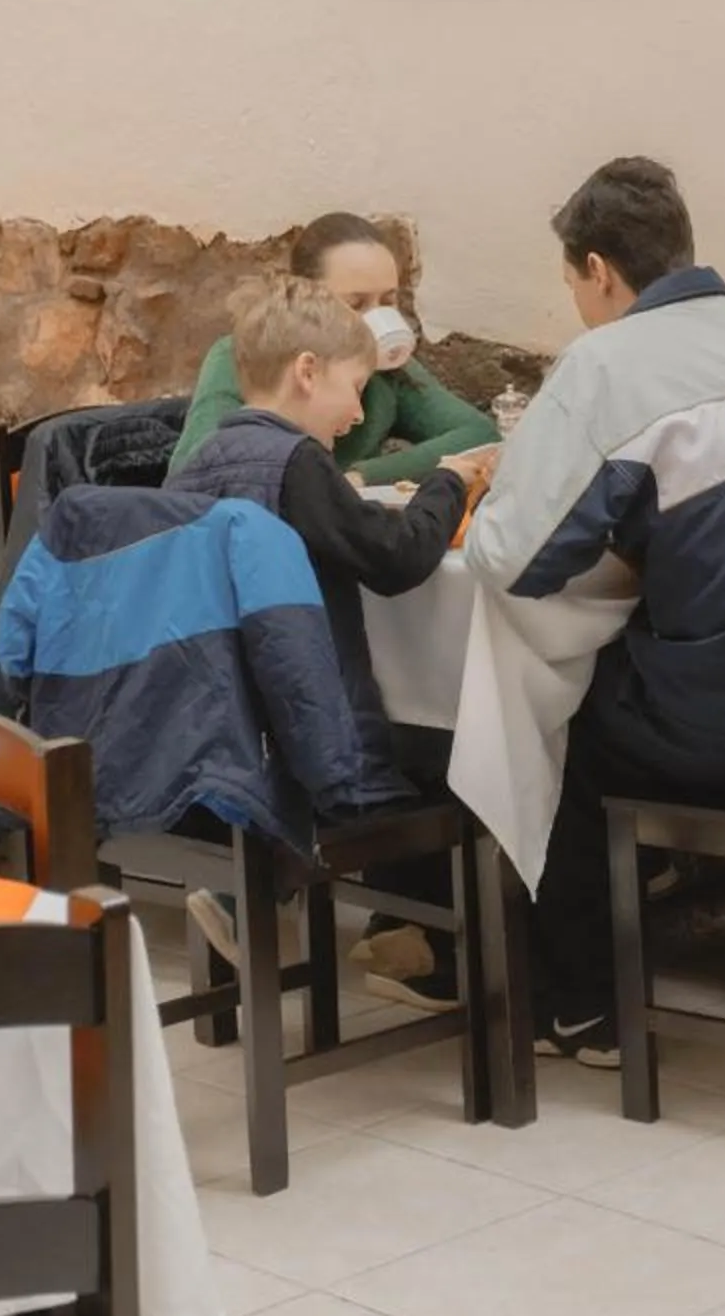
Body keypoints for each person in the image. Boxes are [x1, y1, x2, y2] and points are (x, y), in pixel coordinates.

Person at [463, 158, 725, 1064]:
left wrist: (507, 488)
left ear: (599, 270)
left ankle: (580, 1004)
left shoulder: (608, 363)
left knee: (561, 719)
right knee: (674, 662)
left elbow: (515, 559)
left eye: (572, 282)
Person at [167, 274, 496, 1010]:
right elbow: (398, 560)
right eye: (353, 388)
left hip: (233, 737)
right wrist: (449, 482)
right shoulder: (297, 465)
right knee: (464, 748)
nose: (357, 413)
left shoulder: (204, 463)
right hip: (320, 752)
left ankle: (254, 884)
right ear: (306, 372)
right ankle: (441, 957)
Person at [171, 212, 497, 481]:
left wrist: (361, 477)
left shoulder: (390, 367)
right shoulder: (242, 356)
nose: (376, 320)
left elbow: (478, 434)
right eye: (356, 304)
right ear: (307, 299)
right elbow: (191, 471)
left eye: (388, 301)